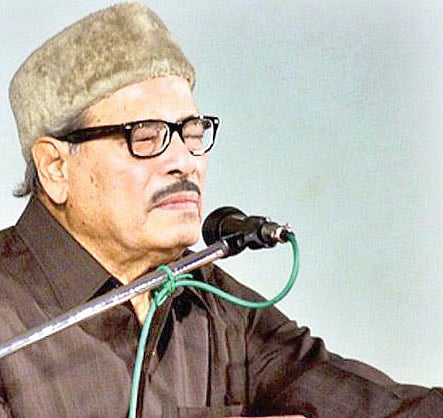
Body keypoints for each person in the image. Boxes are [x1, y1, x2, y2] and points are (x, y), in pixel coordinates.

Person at [0, 2, 441, 417]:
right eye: (145, 136)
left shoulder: (210, 300)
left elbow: (380, 407)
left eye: (192, 132)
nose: (184, 160)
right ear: (56, 167)